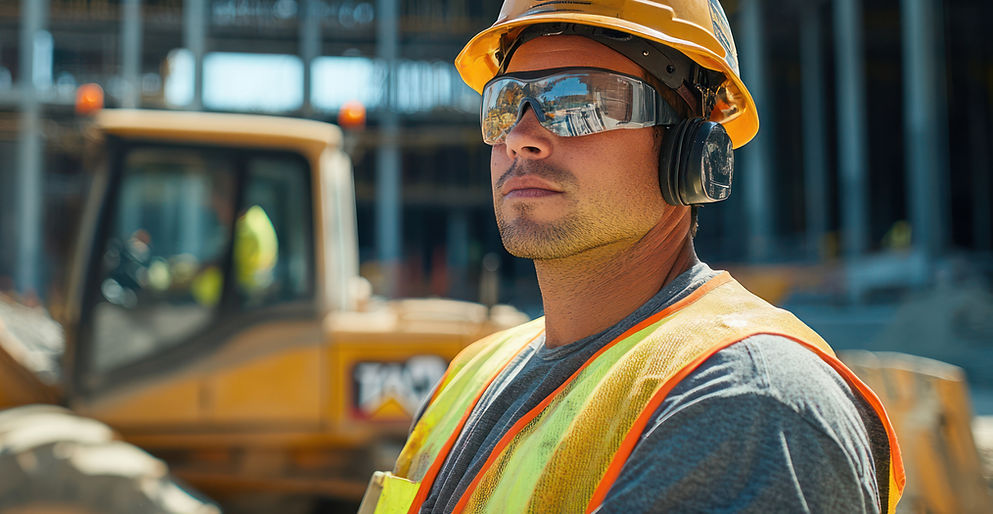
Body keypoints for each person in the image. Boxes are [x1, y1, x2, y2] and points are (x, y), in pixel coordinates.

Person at [358, 1, 905, 513]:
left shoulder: (748, 403)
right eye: (505, 104)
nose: (522, 137)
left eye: (580, 101)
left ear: (691, 146)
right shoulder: (474, 371)